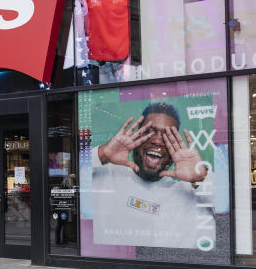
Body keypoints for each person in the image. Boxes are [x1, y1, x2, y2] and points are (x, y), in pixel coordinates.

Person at [91, 102, 214, 250]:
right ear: (137, 137)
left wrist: (201, 179)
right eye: (150, 131)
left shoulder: (191, 197)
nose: (157, 140)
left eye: (167, 135)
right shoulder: (105, 175)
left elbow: (237, 217)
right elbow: (69, 177)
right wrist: (102, 154)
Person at [76, 0, 130, 84]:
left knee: (126, 99)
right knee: (102, 101)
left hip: (122, 59)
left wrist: (130, 60)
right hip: (96, 61)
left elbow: (137, 24)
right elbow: (73, 10)